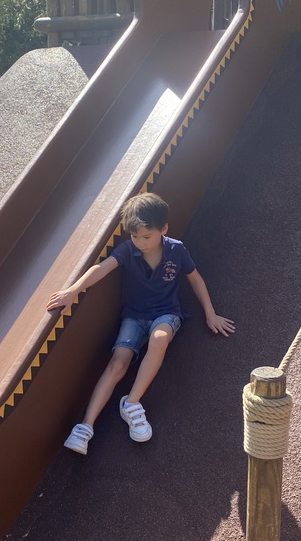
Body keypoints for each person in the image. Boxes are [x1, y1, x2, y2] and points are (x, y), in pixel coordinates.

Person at [46, 192, 234, 455]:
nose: (141, 243)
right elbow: (100, 269)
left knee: (159, 339)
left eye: (147, 236)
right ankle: (85, 427)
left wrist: (210, 313)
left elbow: (195, 279)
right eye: (135, 236)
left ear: (163, 229)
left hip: (165, 314)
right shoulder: (128, 251)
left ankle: (131, 402)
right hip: (134, 315)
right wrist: (72, 291)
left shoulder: (176, 250)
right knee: (118, 363)